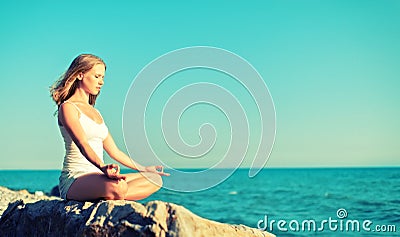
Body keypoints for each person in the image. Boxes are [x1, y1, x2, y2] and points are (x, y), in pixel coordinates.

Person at [50, 53, 169, 201]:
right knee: (118, 186)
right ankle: (112, 192)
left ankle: (110, 193)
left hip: (100, 176)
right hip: (76, 178)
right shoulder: (68, 108)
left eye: (103, 78)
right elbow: (82, 143)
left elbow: (115, 152)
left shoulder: (96, 113)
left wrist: (143, 169)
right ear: (80, 75)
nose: (101, 82)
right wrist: (102, 166)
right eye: (97, 76)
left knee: (155, 179)